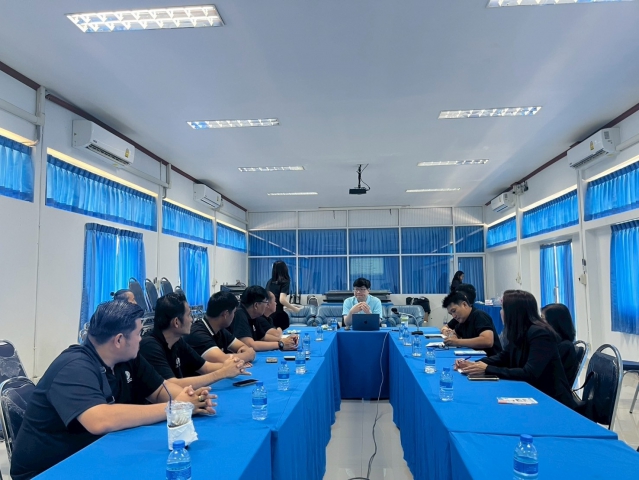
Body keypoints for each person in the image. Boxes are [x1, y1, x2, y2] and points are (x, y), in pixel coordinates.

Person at [10, 301, 215, 480]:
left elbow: (162, 390)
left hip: (93, 455)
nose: (141, 339)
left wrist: (189, 399)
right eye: (138, 333)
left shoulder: (128, 358)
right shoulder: (74, 367)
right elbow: (100, 420)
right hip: (50, 470)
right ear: (118, 340)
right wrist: (175, 407)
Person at [456, 290, 578, 410]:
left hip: (552, 401)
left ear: (513, 312)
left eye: (502, 309)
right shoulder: (520, 331)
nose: (500, 312)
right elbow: (503, 357)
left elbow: (529, 373)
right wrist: (474, 364)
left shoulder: (540, 334)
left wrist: (487, 369)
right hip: (533, 392)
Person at [139, 292, 250, 389]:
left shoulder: (177, 341)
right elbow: (171, 384)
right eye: (189, 315)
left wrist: (231, 367)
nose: (191, 319)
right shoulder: (150, 346)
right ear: (176, 322)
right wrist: (222, 373)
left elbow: (205, 367)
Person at [185, 291, 256, 363]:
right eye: (234, 312)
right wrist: (247, 356)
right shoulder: (197, 333)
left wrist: (241, 355)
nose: (234, 316)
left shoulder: (220, 330)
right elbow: (223, 360)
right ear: (225, 314)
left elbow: (243, 347)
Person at [227, 285, 298, 352]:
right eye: (266, 302)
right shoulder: (239, 314)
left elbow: (263, 337)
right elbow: (249, 345)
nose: (266, 305)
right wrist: (280, 344)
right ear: (256, 305)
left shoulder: (254, 316)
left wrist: (285, 340)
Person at [441, 291, 502, 356]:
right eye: (451, 314)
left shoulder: (480, 316)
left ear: (464, 305)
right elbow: (455, 333)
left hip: (491, 359)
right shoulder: (462, 320)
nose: (454, 316)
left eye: (454, 311)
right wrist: (451, 334)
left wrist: (457, 342)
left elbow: (488, 341)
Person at [542, 303, 579, 385]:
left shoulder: (564, 347)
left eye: (543, 319)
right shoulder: (555, 343)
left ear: (553, 323)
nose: (540, 323)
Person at [266, 261, 301, 330]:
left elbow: (271, 298)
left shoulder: (269, 282)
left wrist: (288, 306)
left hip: (268, 313)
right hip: (278, 314)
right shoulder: (285, 281)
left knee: (271, 334)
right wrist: (295, 309)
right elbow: (282, 300)